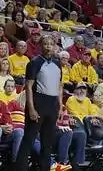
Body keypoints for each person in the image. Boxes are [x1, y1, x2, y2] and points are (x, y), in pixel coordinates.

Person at [15, 34, 68, 171]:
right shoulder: (34, 62)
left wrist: (60, 107)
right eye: (46, 44)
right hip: (38, 103)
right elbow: (28, 86)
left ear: (55, 46)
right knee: (29, 139)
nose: (48, 46)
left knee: (47, 143)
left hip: (52, 105)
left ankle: (45, 168)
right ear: (41, 46)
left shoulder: (57, 64)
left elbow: (59, 86)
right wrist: (31, 108)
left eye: (51, 44)